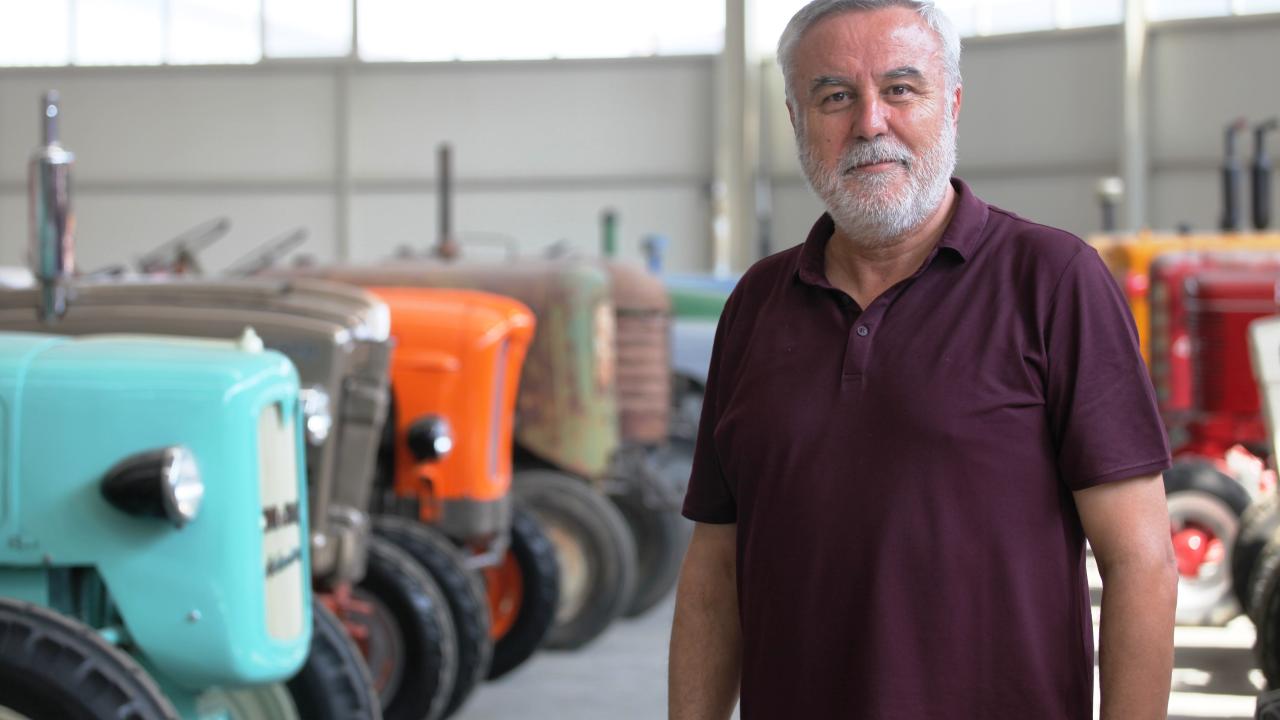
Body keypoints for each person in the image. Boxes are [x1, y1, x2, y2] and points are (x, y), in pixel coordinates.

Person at [667, 2, 1178, 719]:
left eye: (901, 89)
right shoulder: (756, 304)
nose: (870, 122)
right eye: (835, 96)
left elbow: (1141, 562)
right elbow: (714, 573)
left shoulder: (1053, 280)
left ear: (954, 104)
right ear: (795, 120)